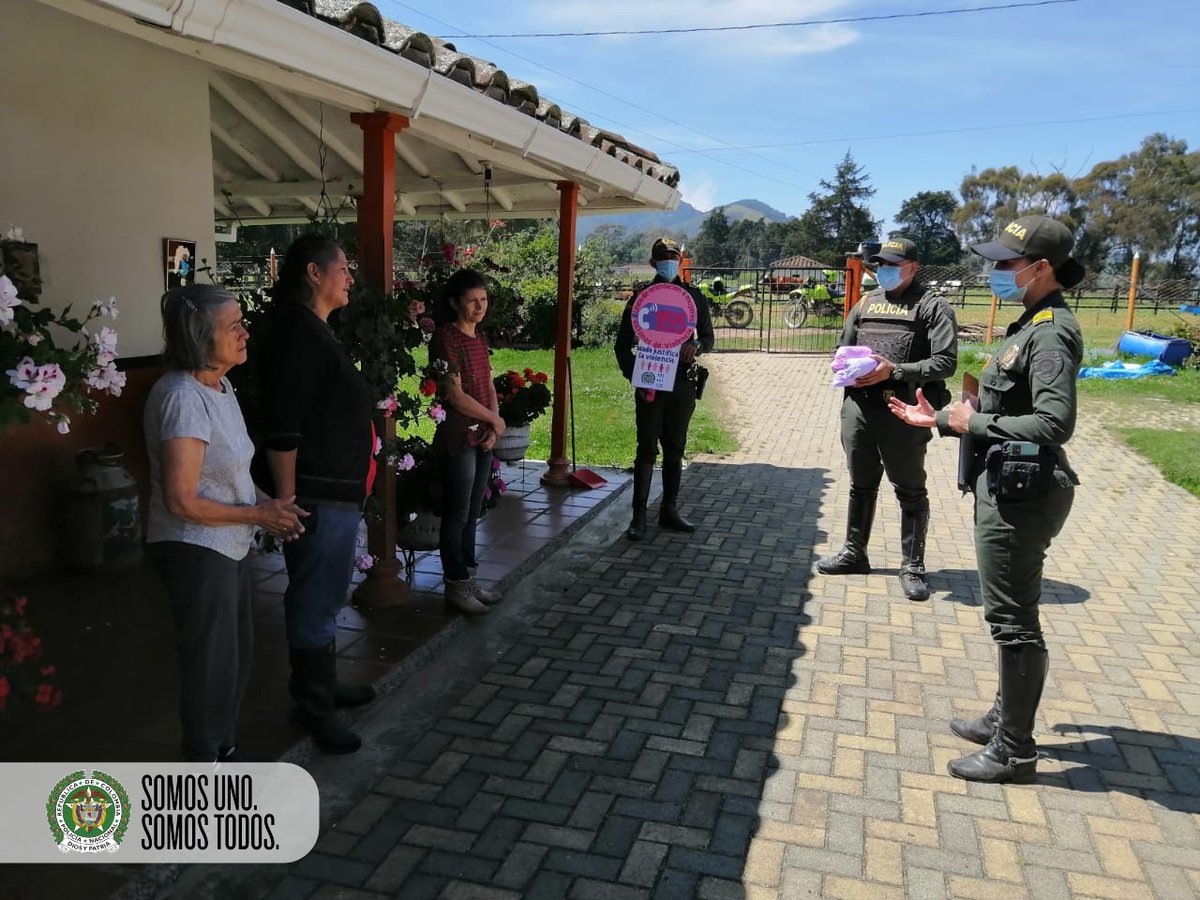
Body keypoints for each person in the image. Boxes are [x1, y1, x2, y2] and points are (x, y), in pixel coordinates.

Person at [890, 215, 1084, 783]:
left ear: (1040, 268)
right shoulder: (1030, 322)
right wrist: (947, 421)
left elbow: (1054, 421)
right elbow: (999, 410)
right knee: (1010, 616)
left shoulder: (1050, 332)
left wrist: (969, 420)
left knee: (1013, 621)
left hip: (1024, 494)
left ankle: (1014, 751)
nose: (995, 271)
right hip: (1007, 483)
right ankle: (1004, 718)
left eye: (1005, 263)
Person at [144, 284, 306, 762]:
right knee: (211, 663)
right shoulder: (181, 397)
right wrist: (260, 514)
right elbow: (182, 500)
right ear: (199, 336)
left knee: (235, 657)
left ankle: (222, 747)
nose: (244, 332)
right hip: (195, 547)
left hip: (230, 543)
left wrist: (271, 507)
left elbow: (232, 473)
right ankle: (202, 761)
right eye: (233, 326)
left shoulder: (220, 385)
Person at [260, 234, 377, 755]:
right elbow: (283, 423)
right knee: (313, 596)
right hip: (314, 496)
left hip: (335, 493)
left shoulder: (313, 330)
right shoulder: (295, 334)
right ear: (314, 273)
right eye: (343, 269)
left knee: (327, 594)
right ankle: (313, 705)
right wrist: (285, 501)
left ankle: (322, 686)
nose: (349, 277)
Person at [816, 237, 958, 601]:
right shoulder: (866, 302)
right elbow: (842, 345)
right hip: (859, 409)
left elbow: (945, 363)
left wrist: (894, 372)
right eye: (880, 265)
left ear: (913, 266)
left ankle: (912, 566)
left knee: (909, 489)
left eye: (893, 265)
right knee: (860, 484)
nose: (884, 271)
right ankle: (854, 553)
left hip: (904, 410)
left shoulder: (932, 307)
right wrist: (844, 364)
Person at [615, 237, 715, 541]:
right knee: (646, 449)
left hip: (682, 384)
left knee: (675, 448)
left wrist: (696, 346)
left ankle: (669, 511)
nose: (669, 260)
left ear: (681, 260)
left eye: (673, 255)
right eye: (663, 256)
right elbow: (621, 346)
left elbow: (709, 337)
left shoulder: (694, 297)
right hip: (650, 386)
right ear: (652, 263)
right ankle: (638, 517)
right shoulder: (642, 297)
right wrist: (637, 376)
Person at [428, 269, 506, 616]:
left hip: (483, 435)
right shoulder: (446, 338)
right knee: (457, 514)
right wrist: (493, 421)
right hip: (459, 434)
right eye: (472, 300)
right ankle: (456, 583)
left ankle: (470, 579)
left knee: (474, 512)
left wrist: (495, 426)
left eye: (483, 300)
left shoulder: (479, 338)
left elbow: (487, 384)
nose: (479, 307)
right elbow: (454, 396)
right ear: (455, 302)